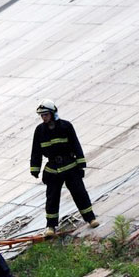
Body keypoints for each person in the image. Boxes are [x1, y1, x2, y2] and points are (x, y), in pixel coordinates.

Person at [30, 99, 99, 237]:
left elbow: (76, 145)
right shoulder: (39, 131)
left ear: (53, 113)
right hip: (53, 170)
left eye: (46, 115)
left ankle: (90, 218)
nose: (44, 118)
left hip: (70, 167)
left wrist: (81, 165)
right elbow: (36, 151)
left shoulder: (66, 126)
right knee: (52, 199)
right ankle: (50, 226)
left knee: (80, 193)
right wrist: (35, 169)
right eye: (42, 115)